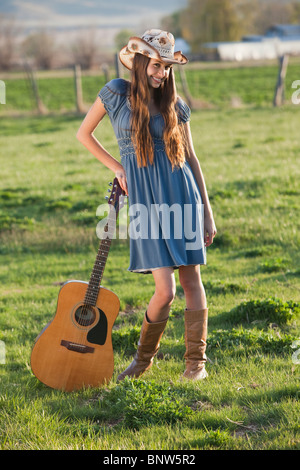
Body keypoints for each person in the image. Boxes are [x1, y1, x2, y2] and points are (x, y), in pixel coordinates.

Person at [76, 29, 217, 382]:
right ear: (140, 62)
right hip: (144, 200)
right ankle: (142, 361)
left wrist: (207, 210)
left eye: (167, 68)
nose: (162, 74)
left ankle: (195, 364)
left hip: (180, 193)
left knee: (190, 279)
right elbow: (84, 134)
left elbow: (193, 160)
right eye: (157, 65)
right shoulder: (115, 93)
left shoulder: (174, 104)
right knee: (164, 291)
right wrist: (117, 167)